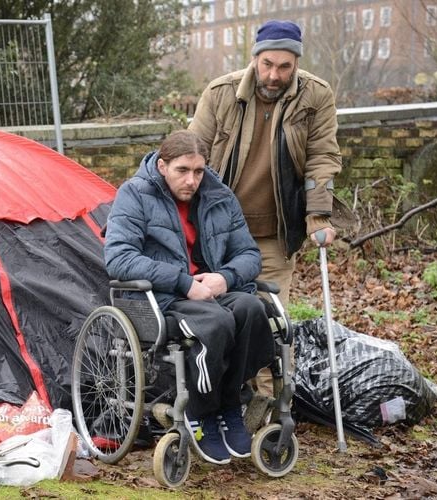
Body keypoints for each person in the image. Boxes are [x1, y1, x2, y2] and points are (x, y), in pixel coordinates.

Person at [188, 19, 343, 396]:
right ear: (255, 58)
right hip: (217, 233)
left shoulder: (316, 96)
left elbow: (322, 157)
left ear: (296, 63)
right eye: (267, 64)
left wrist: (318, 215)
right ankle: (221, 399)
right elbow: (190, 154)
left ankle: (266, 406)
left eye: (284, 66)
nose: (274, 75)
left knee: (272, 321)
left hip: (275, 232)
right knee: (220, 316)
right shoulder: (221, 93)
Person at [104, 129, 274, 465]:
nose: (192, 180)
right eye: (183, 170)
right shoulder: (135, 194)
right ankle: (203, 411)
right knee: (216, 322)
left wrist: (224, 278)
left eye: (199, 171)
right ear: (163, 165)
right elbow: (119, 257)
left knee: (253, 309)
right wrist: (183, 282)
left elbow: (249, 255)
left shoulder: (220, 196)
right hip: (163, 298)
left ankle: (228, 405)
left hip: (211, 291)